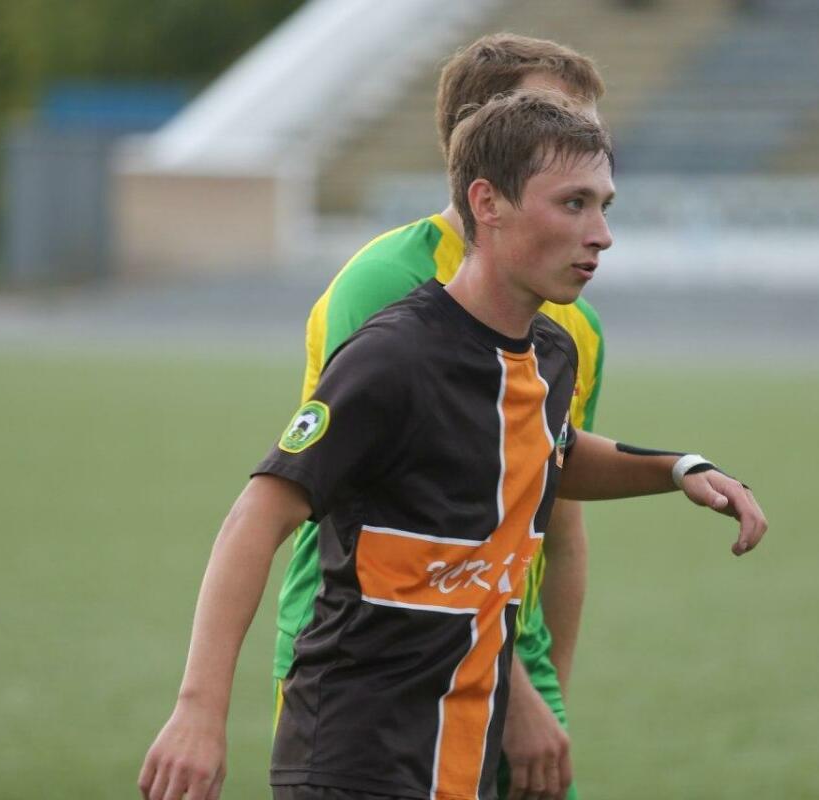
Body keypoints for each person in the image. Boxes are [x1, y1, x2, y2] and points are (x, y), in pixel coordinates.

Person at [139, 92, 768, 800]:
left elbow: (552, 449)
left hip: (467, 755)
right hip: (356, 757)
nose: (601, 235)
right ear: (487, 203)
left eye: (604, 206)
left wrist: (679, 469)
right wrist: (199, 712)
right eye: (573, 204)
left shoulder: (551, 354)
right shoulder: (392, 358)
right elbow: (255, 518)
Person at [281, 33, 607, 800]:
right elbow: (401, 522)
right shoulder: (387, 288)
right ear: (479, 141)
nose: (580, 144)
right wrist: (514, 695)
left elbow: (556, 514)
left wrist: (546, 691)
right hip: (375, 650)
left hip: (505, 652)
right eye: (550, 118)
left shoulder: (572, 326)